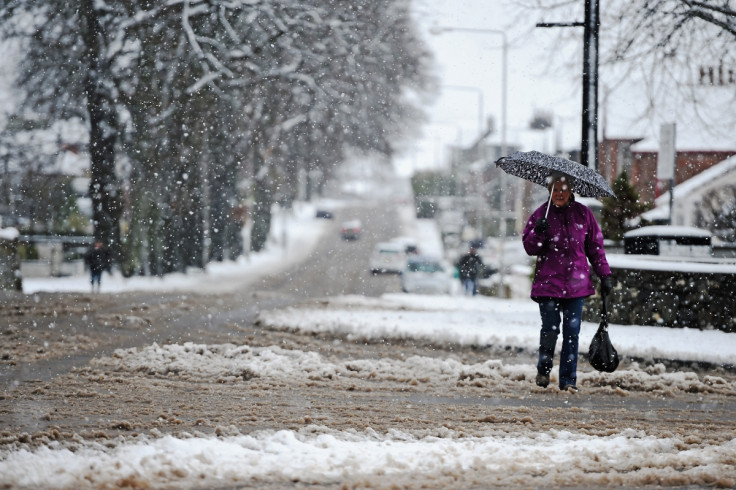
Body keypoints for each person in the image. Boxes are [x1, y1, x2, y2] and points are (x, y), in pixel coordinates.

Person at [522, 175, 613, 393]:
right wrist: (538, 232)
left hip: (576, 286)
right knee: (550, 331)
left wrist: (605, 274)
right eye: (555, 190)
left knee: (572, 334)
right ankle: (543, 370)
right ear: (549, 191)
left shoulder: (584, 214)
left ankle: (568, 380)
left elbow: (595, 248)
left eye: (563, 189)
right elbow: (530, 248)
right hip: (548, 285)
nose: (559, 194)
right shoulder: (541, 214)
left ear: (571, 190)